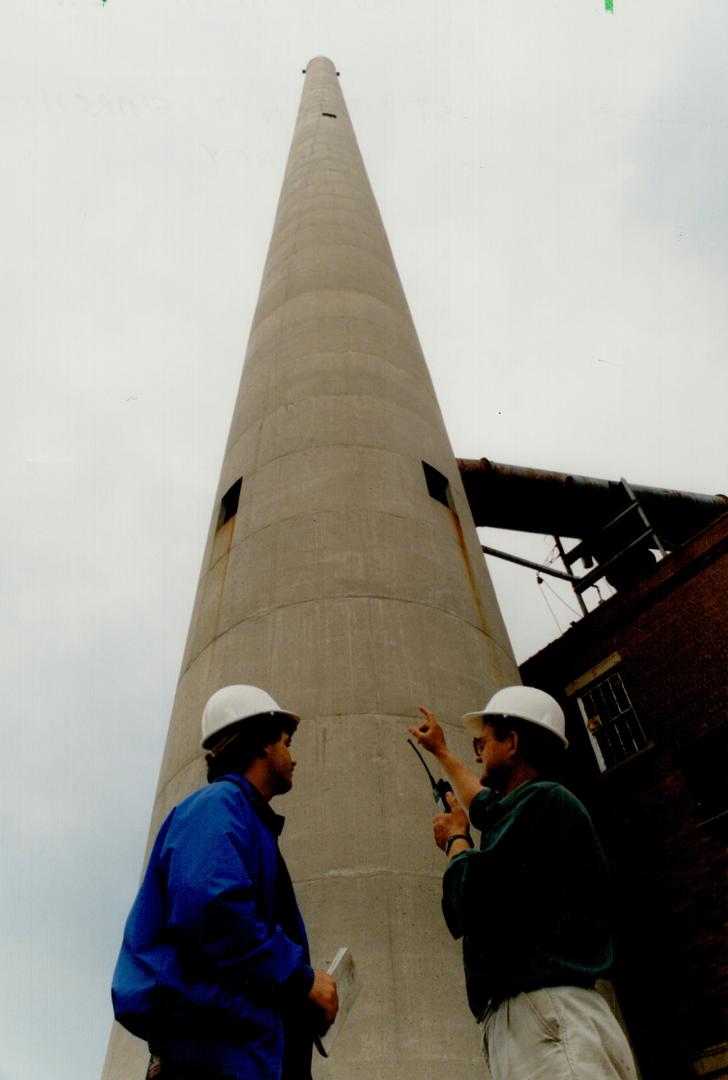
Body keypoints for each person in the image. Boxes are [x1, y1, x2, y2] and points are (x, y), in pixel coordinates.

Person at [408, 685, 638, 1080]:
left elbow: (467, 902)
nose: (476, 751)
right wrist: (442, 753)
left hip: (546, 1016)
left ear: (512, 743)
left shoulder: (542, 803)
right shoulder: (540, 805)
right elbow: (483, 806)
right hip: (548, 1015)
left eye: (482, 742)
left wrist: (456, 840)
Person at [112, 684, 338, 1080]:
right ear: (263, 745)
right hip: (215, 1055)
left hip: (238, 1052)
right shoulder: (218, 806)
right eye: (287, 742)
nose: (294, 757)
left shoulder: (241, 818)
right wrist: (302, 979)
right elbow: (211, 909)